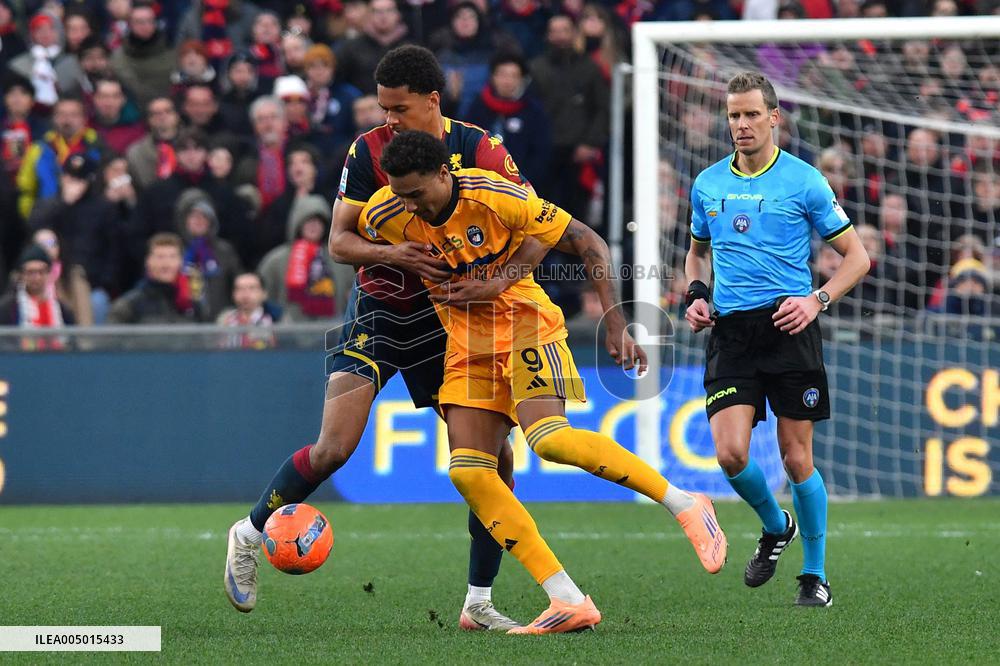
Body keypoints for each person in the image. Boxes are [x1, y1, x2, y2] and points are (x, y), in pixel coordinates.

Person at [225, 45, 544, 631]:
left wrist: (496, 279)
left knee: (493, 463)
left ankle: (478, 603)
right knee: (334, 449)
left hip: (450, 326)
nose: (388, 120)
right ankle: (248, 533)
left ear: (432, 100)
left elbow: (540, 226)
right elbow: (339, 243)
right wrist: (392, 253)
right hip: (379, 313)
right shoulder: (366, 150)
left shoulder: (480, 149)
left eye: (398, 109)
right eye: (382, 108)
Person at [362, 130, 727, 634]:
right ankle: (567, 598)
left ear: (443, 174)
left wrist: (615, 322)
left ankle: (685, 503)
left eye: (418, 194)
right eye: (400, 195)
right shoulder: (386, 211)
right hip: (467, 344)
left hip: (525, 322)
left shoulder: (496, 195)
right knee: (468, 473)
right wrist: (392, 256)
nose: (411, 206)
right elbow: (344, 241)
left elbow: (588, 242)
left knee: (549, 439)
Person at [684, 71, 871, 607]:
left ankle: (815, 576)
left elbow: (857, 258)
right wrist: (697, 292)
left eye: (749, 115)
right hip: (733, 333)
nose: (740, 125)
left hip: (791, 328)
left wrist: (817, 300)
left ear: (773, 119)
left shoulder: (805, 180)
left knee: (795, 460)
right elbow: (697, 252)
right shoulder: (708, 184)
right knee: (730, 454)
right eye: (732, 116)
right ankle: (775, 523)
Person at [109, 232, 203, 324]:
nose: (166, 264)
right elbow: (112, 337)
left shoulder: (194, 306)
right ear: (148, 261)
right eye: (160, 257)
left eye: (172, 257)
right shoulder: (129, 306)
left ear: (180, 262)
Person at [216, 272, 281, 349]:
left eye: (252, 288)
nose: (245, 295)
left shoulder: (276, 319)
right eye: (239, 289)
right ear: (233, 294)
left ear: (264, 294)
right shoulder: (224, 319)